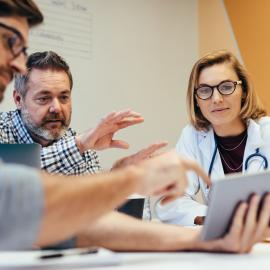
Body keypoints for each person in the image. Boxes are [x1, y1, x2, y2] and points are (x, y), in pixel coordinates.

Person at [0, 1, 269, 253]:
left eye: (20, 49)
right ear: (18, 99)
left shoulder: (75, 141)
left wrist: (204, 238)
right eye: (8, 42)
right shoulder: (31, 135)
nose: (16, 63)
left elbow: (89, 218)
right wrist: (128, 177)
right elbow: (21, 196)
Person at [155, 50, 270, 226]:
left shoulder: (266, 132)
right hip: (222, 243)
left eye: (226, 87)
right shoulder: (192, 136)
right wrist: (216, 216)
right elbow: (169, 202)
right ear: (197, 100)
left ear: (244, 91)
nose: (216, 99)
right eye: (205, 90)